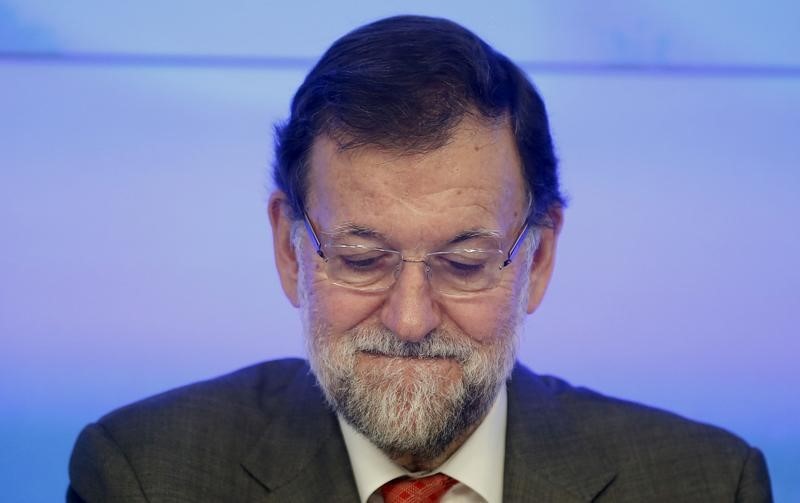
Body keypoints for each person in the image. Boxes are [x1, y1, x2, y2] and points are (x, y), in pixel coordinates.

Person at [67, 15, 772, 502]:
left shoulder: (705, 481)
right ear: (289, 249)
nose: (409, 319)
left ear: (541, 255)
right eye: (362, 257)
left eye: (464, 262)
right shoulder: (145, 474)